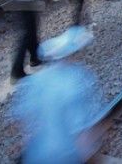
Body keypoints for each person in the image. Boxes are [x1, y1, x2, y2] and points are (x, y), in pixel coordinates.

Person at [11, 26, 105, 163]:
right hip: (65, 157)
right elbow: (82, 136)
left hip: (36, 156)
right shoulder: (78, 82)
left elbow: (21, 120)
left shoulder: (36, 80)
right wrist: (92, 158)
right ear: (74, 54)